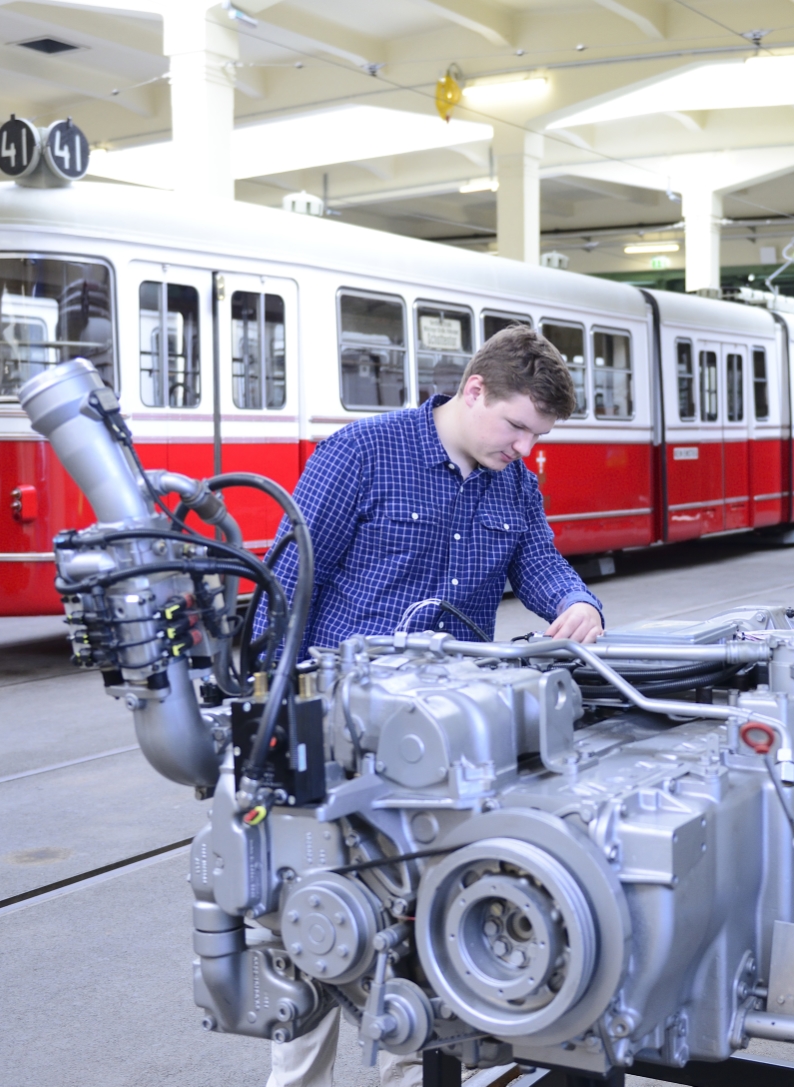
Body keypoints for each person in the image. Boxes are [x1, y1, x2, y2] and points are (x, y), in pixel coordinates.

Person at [258, 324, 604, 1087]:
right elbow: (287, 581)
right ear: (472, 389)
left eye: (536, 436)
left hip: (445, 747)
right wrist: (266, 714)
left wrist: (576, 603)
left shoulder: (512, 481)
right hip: (342, 731)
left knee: (424, 928)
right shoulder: (361, 453)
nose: (523, 448)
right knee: (311, 928)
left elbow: (539, 560)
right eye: (516, 427)